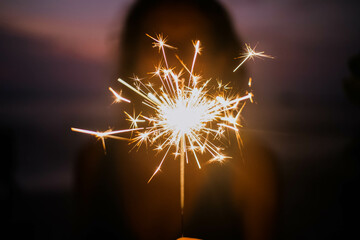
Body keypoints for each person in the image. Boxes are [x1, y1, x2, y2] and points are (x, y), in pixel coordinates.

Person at [75, 1, 279, 239]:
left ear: (222, 59)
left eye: (195, 44)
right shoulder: (93, 162)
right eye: (157, 44)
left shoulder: (252, 170)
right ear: (132, 59)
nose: (174, 61)